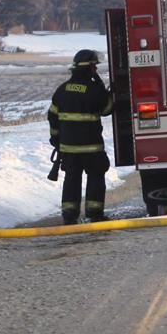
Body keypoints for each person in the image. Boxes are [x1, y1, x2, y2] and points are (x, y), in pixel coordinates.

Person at [48, 49, 114, 224]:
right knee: (96, 177)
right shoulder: (93, 90)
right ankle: (94, 213)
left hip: (68, 148)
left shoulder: (62, 90)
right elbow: (107, 110)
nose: (96, 71)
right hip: (92, 147)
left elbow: (52, 117)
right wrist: (103, 88)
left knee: (71, 179)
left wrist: (56, 139)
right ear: (89, 68)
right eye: (95, 67)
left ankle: (69, 215)